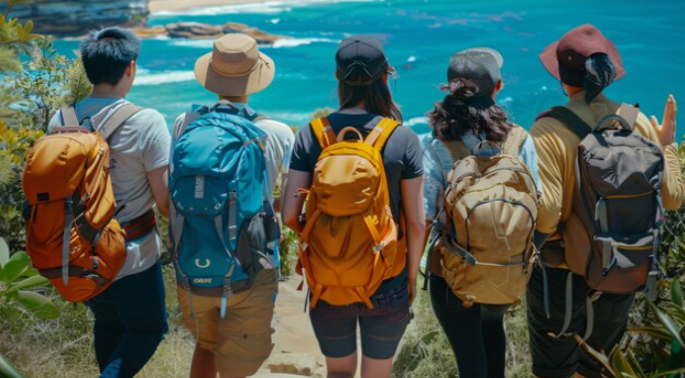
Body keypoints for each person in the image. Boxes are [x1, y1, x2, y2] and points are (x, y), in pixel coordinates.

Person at [527, 24, 685, 378]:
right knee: (596, 367)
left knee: (555, 370)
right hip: (623, 266)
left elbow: (548, 215)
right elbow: (673, 199)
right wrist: (668, 145)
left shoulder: (548, 130)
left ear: (563, 79)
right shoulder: (637, 121)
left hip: (564, 275)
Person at [282, 36, 427, 378]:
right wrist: (409, 276)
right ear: (385, 78)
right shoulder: (402, 138)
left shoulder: (311, 134)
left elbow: (289, 214)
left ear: (338, 77)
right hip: (387, 279)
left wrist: (325, 243)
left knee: (339, 373)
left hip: (327, 280)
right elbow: (417, 223)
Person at [48, 27, 170, 378]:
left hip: (76, 253)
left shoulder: (61, 119)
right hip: (131, 256)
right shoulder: (146, 121)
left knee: (109, 325)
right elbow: (163, 202)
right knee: (148, 330)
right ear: (130, 68)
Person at [171, 34, 295, 378]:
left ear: (212, 76)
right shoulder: (278, 132)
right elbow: (284, 209)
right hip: (252, 263)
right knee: (240, 361)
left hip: (193, 255)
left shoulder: (186, 123)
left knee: (205, 346)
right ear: (255, 78)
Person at [422, 48, 544, 378]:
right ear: (498, 87)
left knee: (470, 362)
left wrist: (408, 275)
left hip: (451, 273)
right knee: (493, 335)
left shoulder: (436, 144)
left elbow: (423, 217)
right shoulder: (520, 140)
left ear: (451, 90)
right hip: (507, 268)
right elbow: (540, 203)